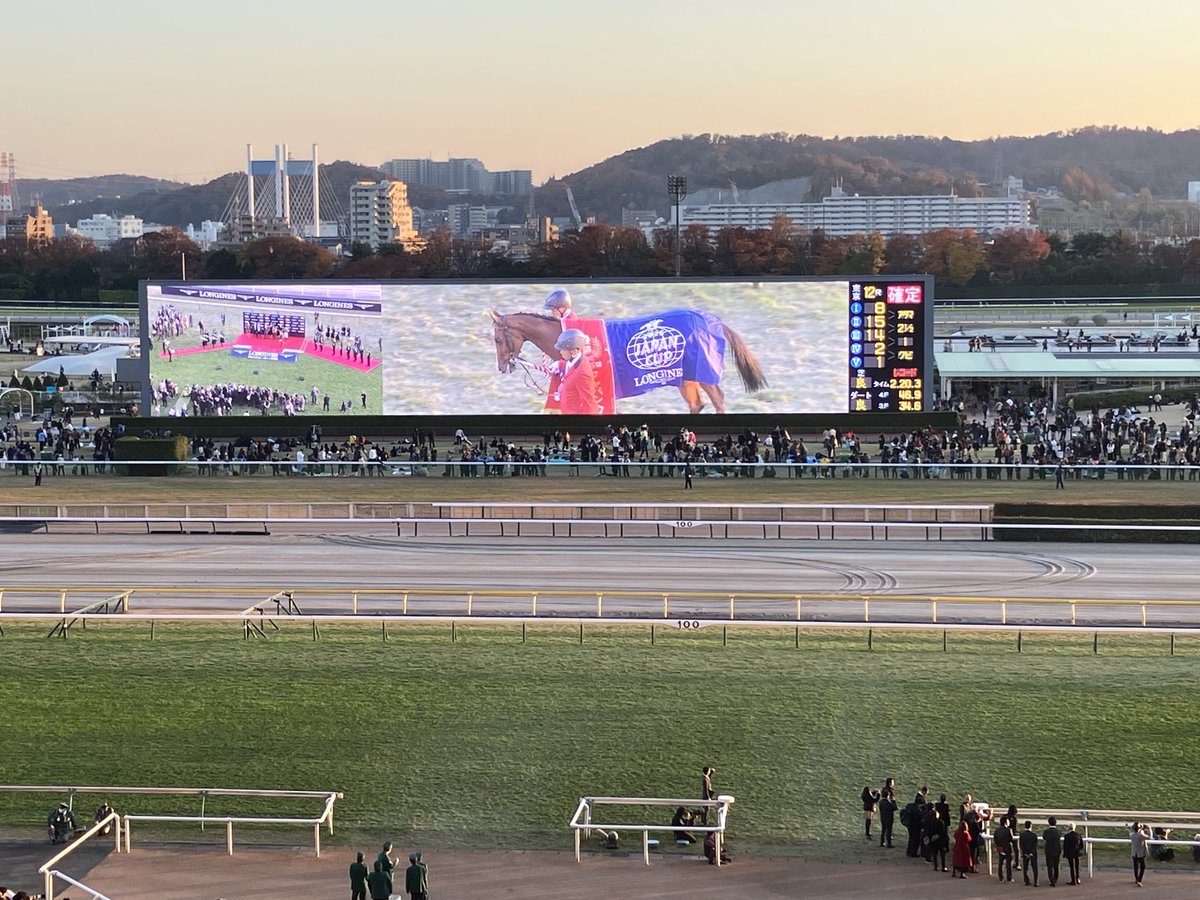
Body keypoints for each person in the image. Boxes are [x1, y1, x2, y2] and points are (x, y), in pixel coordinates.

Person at [554, 329, 600, 415]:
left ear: (574, 351)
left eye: (563, 349)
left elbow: (589, 404)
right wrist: (560, 364)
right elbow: (570, 370)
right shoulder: (574, 360)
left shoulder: (582, 374)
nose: (560, 352)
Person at [993, 817, 1014, 883]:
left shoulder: (997, 830)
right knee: (1008, 864)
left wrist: (998, 845)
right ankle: (1009, 878)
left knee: (1000, 863)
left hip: (1000, 848)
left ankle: (1001, 878)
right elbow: (1011, 839)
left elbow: (995, 839)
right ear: (1006, 822)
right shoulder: (1009, 830)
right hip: (1007, 848)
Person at [1043, 816, 1062, 887]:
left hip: (1049, 851)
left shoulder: (1046, 832)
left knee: (1049, 866)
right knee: (1056, 865)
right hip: (1057, 850)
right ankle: (1055, 878)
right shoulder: (1058, 832)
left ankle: (1051, 880)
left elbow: (1044, 837)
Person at [1019, 820, 1039, 886]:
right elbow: (1035, 845)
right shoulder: (1034, 835)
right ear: (1031, 826)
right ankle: (1036, 881)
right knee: (1034, 867)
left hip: (1025, 853)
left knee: (1025, 867)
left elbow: (1021, 845)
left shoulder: (1022, 835)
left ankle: (1026, 881)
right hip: (1032, 853)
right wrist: (1031, 853)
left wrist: (1024, 853)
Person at [1130, 820, 1150, 886]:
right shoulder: (1141, 836)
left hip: (1134, 853)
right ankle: (1139, 880)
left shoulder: (1131, 835)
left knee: (1135, 867)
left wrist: (1141, 830)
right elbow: (1150, 837)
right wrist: (1149, 829)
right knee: (1142, 866)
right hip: (1140, 854)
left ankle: (1136, 879)